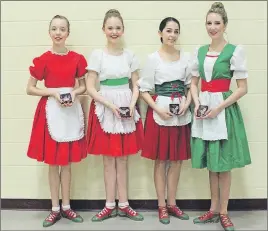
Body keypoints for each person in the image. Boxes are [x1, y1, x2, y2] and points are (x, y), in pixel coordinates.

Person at [190, 2, 251, 231]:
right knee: (211, 163)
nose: (212, 27)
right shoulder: (200, 51)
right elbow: (194, 83)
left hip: (223, 111)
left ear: (225, 25)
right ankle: (213, 209)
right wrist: (197, 103)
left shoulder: (234, 51)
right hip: (204, 109)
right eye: (209, 23)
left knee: (223, 164)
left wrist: (220, 107)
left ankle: (224, 211)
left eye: (217, 23)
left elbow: (242, 88)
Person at [26, 15, 87, 227]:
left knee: (67, 163)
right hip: (50, 113)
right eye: (54, 29)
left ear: (68, 33)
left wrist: (71, 93)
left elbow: (82, 86)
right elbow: (30, 88)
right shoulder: (43, 59)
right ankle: (54, 209)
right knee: (53, 164)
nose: (58, 33)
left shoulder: (77, 58)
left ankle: (67, 207)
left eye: (62, 29)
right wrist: (53, 93)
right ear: (49, 32)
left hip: (69, 111)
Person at [86, 9, 144, 222]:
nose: (114, 31)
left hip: (126, 109)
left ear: (123, 30)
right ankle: (109, 204)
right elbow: (90, 86)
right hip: (106, 108)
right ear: (103, 29)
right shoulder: (97, 55)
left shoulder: (130, 55)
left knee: (123, 159)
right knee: (108, 159)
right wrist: (109, 105)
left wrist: (130, 104)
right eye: (110, 27)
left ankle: (125, 203)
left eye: (118, 28)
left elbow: (136, 84)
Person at [137, 17, 192, 224]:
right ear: (160, 33)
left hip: (180, 115)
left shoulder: (186, 58)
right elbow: (143, 89)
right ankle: (161, 205)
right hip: (160, 113)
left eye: (176, 31)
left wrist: (187, 104)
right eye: (168, 31)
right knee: (161, 161)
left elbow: (190, 86)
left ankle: (172, 203)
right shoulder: (153, 59)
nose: (172, 35)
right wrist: (157, 109)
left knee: (177, 161)